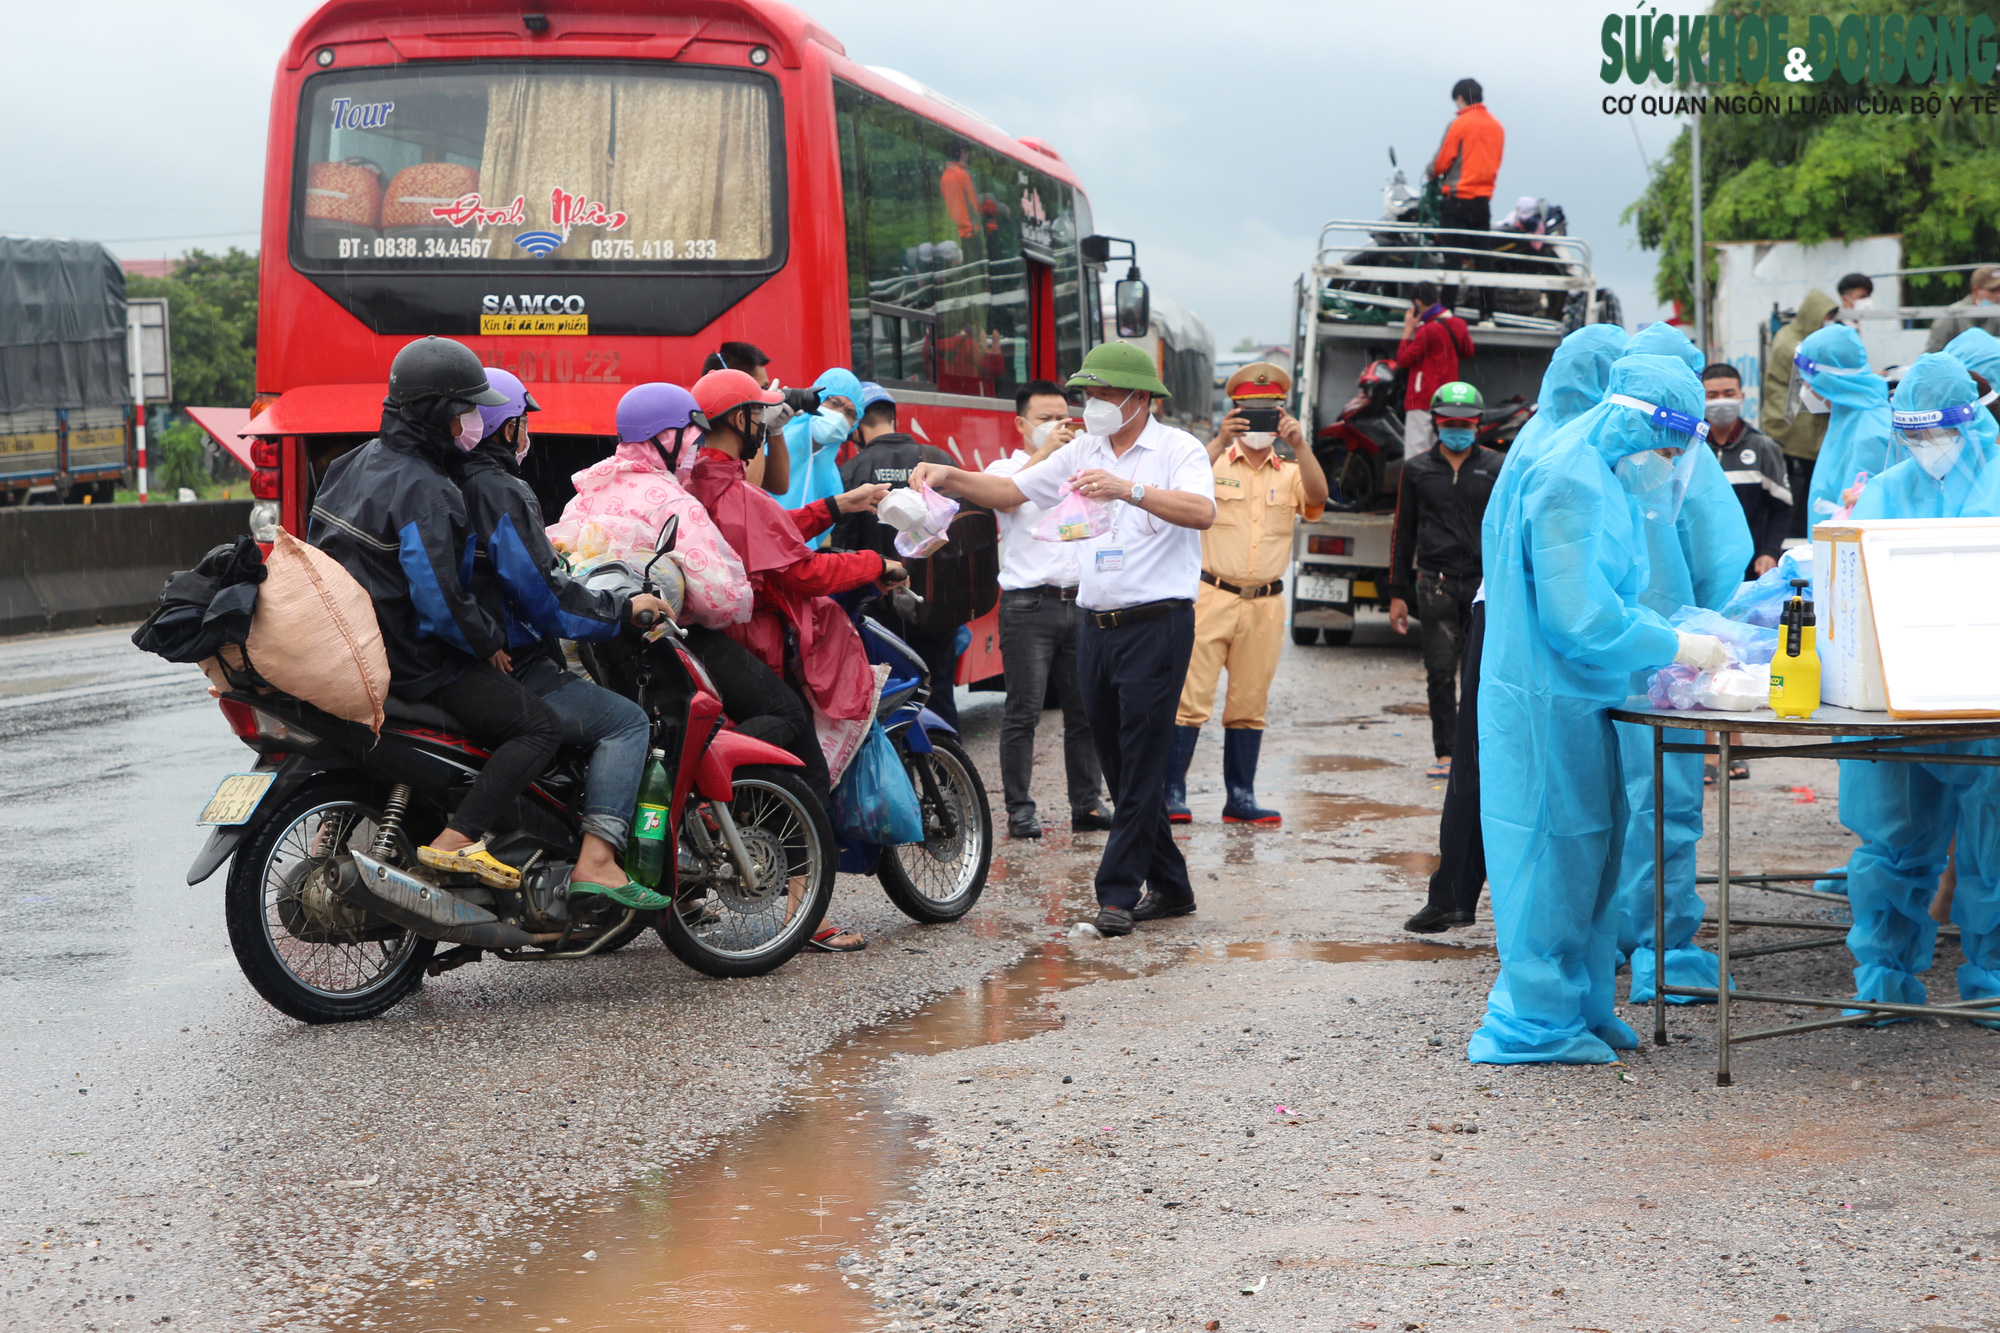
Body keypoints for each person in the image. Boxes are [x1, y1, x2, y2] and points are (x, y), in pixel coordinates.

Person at [1468, 354, 1731, 1064]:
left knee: (1591, 854)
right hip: (1547, 700)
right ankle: (1535, 1022)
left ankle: (1581, 1002)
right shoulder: (1571, 478)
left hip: (1577, 696)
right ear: (1640, 423)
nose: (1666, 465)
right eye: (1667, 449)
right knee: (1552, 852)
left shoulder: (1596, 471)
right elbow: (1580, 617)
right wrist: (1675, 642)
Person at [910, 342, 1216, 937]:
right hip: (1096, 625)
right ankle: (1173, 886)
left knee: (1143, 758)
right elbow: (1012, 493)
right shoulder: (1083, 448)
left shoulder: (1178, 449)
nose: (1091, 405)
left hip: (1158, 623)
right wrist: (949, 475)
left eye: (1102, 394)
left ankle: (1117, 895)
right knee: (1119, 763)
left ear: (1138, 398)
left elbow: (1202, 512)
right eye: (1088, 394)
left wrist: (1128, 489)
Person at [307, 336, 560, 889]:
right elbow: (441, 601)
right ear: (438, 413)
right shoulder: (428, 487)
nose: (472, 420)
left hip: (357, 641)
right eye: (465, 408)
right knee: (539, 726)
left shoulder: (351, 462)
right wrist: (487, 638)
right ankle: (460, 839)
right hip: (414, 659)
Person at [1404, 324, 1629, 935]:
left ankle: (1470, 896)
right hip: (1525, 617)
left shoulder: (1543, 439)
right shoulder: (1563, 447)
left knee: (1498, 760)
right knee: (1507, 762)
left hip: (1510, 612)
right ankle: (1486, 900)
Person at [457, 371, 676, 910]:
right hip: (512, 658)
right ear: (505, 429)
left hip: (462, 649)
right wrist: (623, 609)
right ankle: (597, 861)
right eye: (522, 422)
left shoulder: (447, 477)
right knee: (625, 721)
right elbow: (545, 599)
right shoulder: (500, 488)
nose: (526, 433)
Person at [1838, 352, 2000, 1014]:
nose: (1924, 449)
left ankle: (1990, 982)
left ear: (1970, 422)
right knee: (1893, 841)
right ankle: (1883, 979)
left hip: (1982, 698)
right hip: (1899, 699)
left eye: (1934, 434)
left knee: (1993, 845)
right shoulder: (1887, 487)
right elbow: (1854, 581)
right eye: (1911, 435)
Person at [1605, 327, 1755, 1007]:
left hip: (1604, 659)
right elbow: (1723, 563)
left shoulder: (1590, 451)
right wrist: (1710, 642)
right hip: (1668, 660)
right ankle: (1662, 950)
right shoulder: (1686, 462)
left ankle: (1603, 935)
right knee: (1662, 802)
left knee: (1605, 802)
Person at [1168, 362, 1329, 825]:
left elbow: (1318, 497)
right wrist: (1219, 440)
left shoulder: (1292, 471)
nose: (1259, 425)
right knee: (1189, 696)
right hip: (1210, 594)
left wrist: (1300, 443)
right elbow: (1179, 486)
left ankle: (1241, 797)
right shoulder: (1211, 461)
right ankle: (1172, 793)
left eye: (1269, 414)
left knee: (1250, 701)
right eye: (1249, 413)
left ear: (1283, 416)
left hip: (1265, 603)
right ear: (1234, 412)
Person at [984, 381, 1111, 839]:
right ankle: (1020, 810)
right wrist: (1046, 456)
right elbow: (1003, 494)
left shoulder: (1085, 463)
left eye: (1064, 418)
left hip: (1079, 601)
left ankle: (1088, 804)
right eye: (1044, 419)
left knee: (1086, 711)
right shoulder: (1008, 466)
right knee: (1023, 711)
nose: (1059, 426)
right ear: (1021, 425)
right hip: (1028, 605)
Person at [829, 383, 965, 727]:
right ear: (894, 418)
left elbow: (841, 550)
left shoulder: (851, 473)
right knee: (940, 696)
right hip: (938, 608)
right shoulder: (939, 461)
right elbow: (960, 531)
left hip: (878, 613)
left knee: (888, 703)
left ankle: (901, 774)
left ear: (857, 425)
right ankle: (945, 768)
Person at [1386, 380, 1502, 781]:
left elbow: (1505, 530)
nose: (1458, 429)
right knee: (1439, 672)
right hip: (1433, 583)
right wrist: (1397, 594)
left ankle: (1480, 750)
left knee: (1481, 671)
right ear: (1435, 423)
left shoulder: (1496, 468)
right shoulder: (1416, 470)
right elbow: (1403, 532)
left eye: (1465, 423)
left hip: (1483, 586)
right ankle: (1447, 753)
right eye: (1449, 422)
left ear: (1478, 424)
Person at [1792, 323, 1891, 526]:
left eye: (1807, 380)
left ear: (1828, 380)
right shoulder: (1846, 418)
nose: (1805, 387)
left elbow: (1855, 517)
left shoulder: (1871, 430)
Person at [1700, 363, 1792, 574]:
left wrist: (1769, 551)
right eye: (1712, 395)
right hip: (1701, 566)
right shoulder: (1689, 448)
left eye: (1728, 393)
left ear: (1741, 396)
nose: (1721, 401)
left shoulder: (1764, 447)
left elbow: (1782, 508)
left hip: (1750, 568)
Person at [1762, 290, 1839, 539]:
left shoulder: (1795, 335)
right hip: (1792, 425)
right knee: (1798, 489)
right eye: (1825, 316)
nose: (1827, 321)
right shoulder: (1794, 345)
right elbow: (1813, 382)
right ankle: (1794, 535)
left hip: (1796, 421)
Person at [1427, 77, 1505, 323]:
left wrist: (1431, 172)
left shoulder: (1460, 124)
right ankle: (1487, 314)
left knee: (1453, 256)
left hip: (1457, 200)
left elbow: (1442, 161)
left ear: (1460, 98)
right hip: (1482, 203)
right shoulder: (1497, 127)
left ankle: (1447, 311)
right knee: (1483, 258)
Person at [1395, 282, 1475, 458]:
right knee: (1442, 455)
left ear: (1417, 303)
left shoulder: (1427, 330)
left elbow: (1403, 359)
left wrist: (1408, 330)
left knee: (1416, 455)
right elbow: (1468, 351)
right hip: (1447, 399)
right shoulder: (1459, 324)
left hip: (1421, 398)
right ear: (1437, 299)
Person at [777, 367, 865, 525]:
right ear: (817, 398)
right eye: (834, 403)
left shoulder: (834, 482)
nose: (839, 414)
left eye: (850, 413)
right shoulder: (775, 441)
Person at [1923, 264, 2000, 353]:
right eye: (1993, 290)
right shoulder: (1951, 316)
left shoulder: (1996, 314)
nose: (1998, 295)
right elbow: (1932, 355)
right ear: (1975, 290)